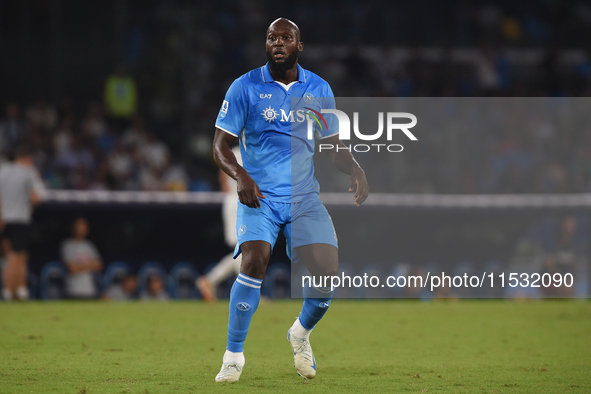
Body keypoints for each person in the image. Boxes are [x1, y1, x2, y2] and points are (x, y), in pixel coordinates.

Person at [212, 18, 368, 382]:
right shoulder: (244, 87)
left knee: (328, 272)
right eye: (271, 37)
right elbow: (219, 146)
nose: (278, 42)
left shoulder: (318, 89)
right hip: (259, 197)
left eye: (286, 37)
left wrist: (355, 167)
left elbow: (332, 147)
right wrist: (241, 175)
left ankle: (300, 333)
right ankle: (233, 356)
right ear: (266, 45)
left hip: (303, 198)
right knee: (254, 261)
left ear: (299, 46)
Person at [197, 146, 243, 302]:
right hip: (237, 202)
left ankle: (209, 281)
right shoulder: (240, 152)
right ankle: (246, 292)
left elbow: (222, 175)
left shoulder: (240, 152)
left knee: (246, 250)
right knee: (244, 249)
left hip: (239, 201)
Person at [0, 146, 46, 301]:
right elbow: (36, 198)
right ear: (27, 158)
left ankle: (20, 291)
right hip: (20, 218)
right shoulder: (29, 171)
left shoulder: (3, 170)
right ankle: (8, 291)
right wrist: (28, 206)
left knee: (18, 255)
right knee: (16, 256)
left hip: (4, 219)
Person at [61, 217, 103, 299]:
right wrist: (91, 265)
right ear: (73, 228)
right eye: (78, 227)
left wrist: (80, 265)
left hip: (90, 291)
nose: (81, 229)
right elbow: (72, 268)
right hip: (73, 291)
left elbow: (99, 265)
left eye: (83, 227)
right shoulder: (67, 245)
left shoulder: (89, 245)